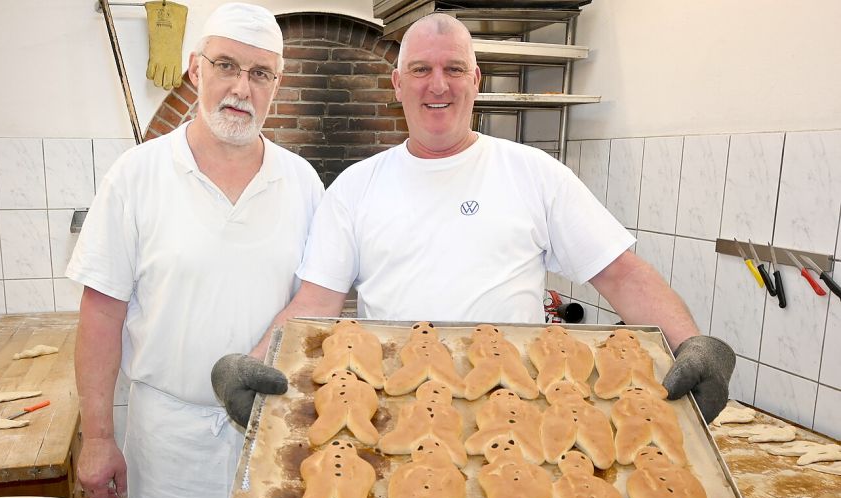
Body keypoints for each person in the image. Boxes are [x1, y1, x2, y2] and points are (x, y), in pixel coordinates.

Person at [212, 13, 734, 427]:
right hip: (397, 416)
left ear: (475, 80)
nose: (437, 85)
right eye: (421, 70)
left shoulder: (532, 173)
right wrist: (255, 364)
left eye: (453, 69)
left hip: (518, 417)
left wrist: (692, 344)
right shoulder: (355, 187)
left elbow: (619, 272)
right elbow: (314, 304)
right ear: (397, 83)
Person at [66, 3, 323, 498]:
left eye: (260, 74)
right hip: (168, 444)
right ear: (195, 69)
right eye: (226, 65)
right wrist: (98, 438)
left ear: (277, 84)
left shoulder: (300, 182)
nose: (241, 87)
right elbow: (100, 314)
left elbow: (315, 303)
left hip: (271, 433)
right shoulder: (138, 175)